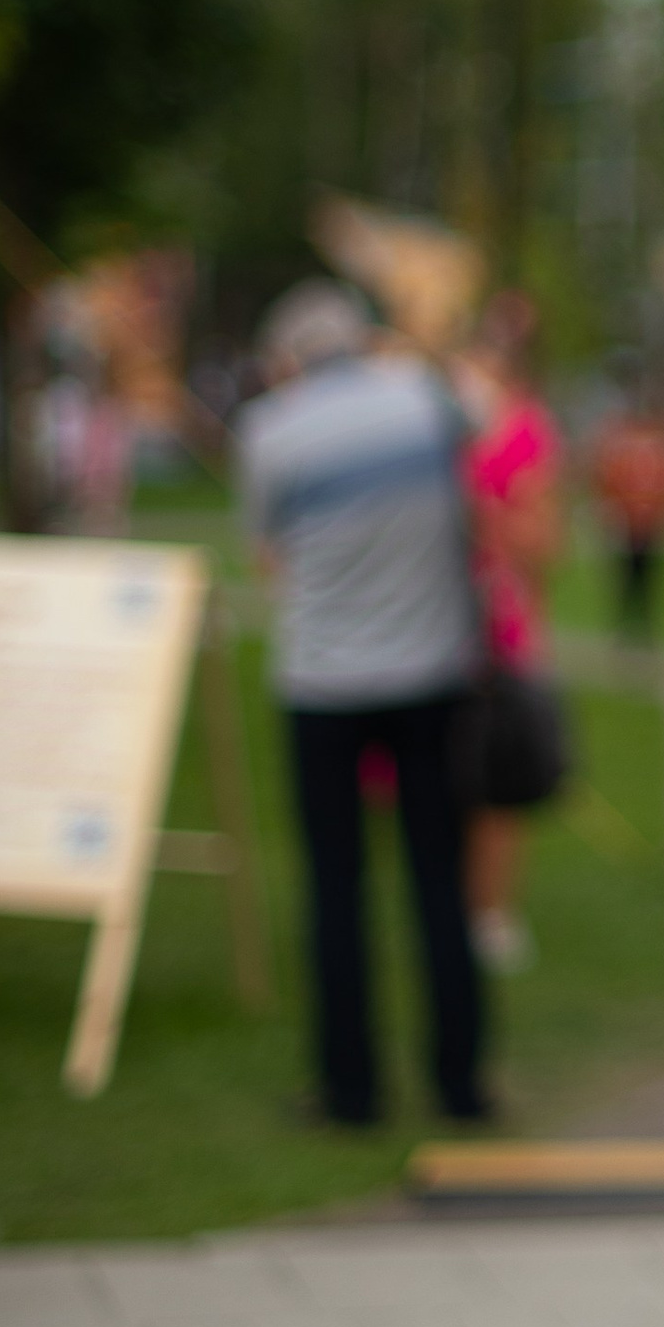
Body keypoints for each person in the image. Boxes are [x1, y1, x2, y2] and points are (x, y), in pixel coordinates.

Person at [234, 280, 487, 1127]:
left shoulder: (271, 429)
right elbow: (476, 478)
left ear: (291, 356)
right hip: (430, 673)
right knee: (440, 882)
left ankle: (351, 1091)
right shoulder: (421, 399)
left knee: (335, 889)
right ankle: (461, 1083)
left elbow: (268, 557)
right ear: (362, 340)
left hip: (322, 684)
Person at [455, 289, 564, 975]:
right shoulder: (445, 421)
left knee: (497, 781)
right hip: (439, 623)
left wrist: (493, 521)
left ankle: (492, 911)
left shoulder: (526, 429)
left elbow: (545, 540)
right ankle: (452, 903)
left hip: (502, 626)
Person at [590, 365, 664, 644]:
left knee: (650, 576)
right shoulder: (624, 443)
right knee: (626, 574)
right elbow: (608, 478)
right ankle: (625, 625)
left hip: (651, 520)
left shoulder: (663, 445)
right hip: (628, 519)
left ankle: (645, 626)